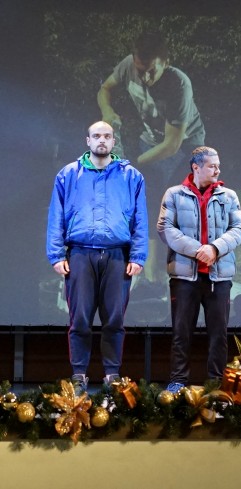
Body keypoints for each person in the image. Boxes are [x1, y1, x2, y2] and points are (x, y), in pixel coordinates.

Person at [46, 121, 148, 393]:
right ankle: (79, 373)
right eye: (96, 136)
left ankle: (112, 373)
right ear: (88, 141)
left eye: (107, 136)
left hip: (117, 255)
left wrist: (138, 256)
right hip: (80, 254)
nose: (101, 140)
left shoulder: (131, 176)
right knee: (79, 319)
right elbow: (56, 216)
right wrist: (56, 255)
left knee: (114, 320)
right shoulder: (68, 174)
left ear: (114, 141)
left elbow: (140, 218)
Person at [98, 32, 205, 287]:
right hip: (151, 141)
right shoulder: (128, 65)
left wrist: (134, 162)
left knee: (171, 206)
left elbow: (171, 145)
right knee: (145, 201)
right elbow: (105, 89)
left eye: (151, 71)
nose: (145, 78)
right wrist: (107, 110)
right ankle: (149, 275)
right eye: (140, 70)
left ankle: (179, 272)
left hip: (186, 146)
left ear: (165, 63)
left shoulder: (179, 85)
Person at [157, 146, 241, 393]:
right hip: (184, 276)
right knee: (181, 332)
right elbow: (165, 228)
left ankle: (216, 382)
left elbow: (238, 229)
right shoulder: (174, 194)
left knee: (219, 334)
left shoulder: (229, 196)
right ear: (196, 167)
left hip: (219, 277)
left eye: (218, 166)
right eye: (212, 166)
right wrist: (199, 250)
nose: (217, 170)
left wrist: (215, 249)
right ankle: (178, 381)